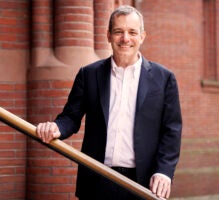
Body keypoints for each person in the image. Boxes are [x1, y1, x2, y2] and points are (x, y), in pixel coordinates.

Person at [36, 5, 182, 200]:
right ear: (108, 36)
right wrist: (55, 127)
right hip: (97, 178)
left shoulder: (164, 78)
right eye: (118, 32)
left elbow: (171, 130)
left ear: (142, 36)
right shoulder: (88, 74)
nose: (125, 38)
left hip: (143, 182)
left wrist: (164, 171)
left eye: (132, 32)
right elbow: (70, 117)